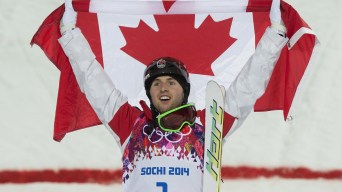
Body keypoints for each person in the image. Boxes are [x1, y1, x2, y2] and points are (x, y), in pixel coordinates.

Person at [58, 0, 288, 191]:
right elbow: (93, 80)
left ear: (185, 90)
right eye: (155, 84)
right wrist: (70, 35)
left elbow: (248, 86)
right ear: (149, 92)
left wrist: (274, 36)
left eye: (171, 82)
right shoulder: (129, 124)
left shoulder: (209, 124)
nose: (163, 88)